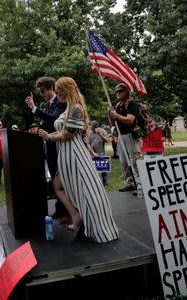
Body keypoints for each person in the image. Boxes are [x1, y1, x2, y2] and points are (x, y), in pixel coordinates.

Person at [38, 77, 119, 243]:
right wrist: (47, 135)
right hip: (66, 154)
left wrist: (48, 137)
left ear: (67, 90)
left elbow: (67, 134)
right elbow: (61, 131)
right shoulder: (68, 108)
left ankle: (89, 222)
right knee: (57, 185)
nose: (57, 92)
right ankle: (76, 216)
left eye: (59, 89)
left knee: (83, 189)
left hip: (74, 154)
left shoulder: (76, 108)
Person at [25, 76, 68, 220]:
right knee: (54, 176)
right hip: (48, 144)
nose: (41, 93)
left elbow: (53, 118)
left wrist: (34, 108)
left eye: (43, 90)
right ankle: (59, 208)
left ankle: (67, 211)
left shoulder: (60, 102)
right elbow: (46, 121)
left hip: (57, 143)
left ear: (50, 88)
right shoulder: (47, 104)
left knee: (60, 178)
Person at [108, 83, 142, 192]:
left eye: (120, 91)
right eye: (117, 91)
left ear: (127, 91)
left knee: (135, 160)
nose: (118, 93)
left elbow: (130, 120)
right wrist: (110, 113)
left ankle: (140, 183)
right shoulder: (118, 105)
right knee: (124, 161)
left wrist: (116, 115)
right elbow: (113, 123)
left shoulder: (132, 103)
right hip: (121, 136)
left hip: (132, 135)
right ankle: (129, 183)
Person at [86, 121, 111, 186]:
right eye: (92, 127)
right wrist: (93, 152)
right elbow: (88, 144)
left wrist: (100, 134)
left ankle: (105, 183)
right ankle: (96, 183)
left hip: (102, 152)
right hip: (92, 153)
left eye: (94, 127)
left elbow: (107, 141)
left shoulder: (103, 131)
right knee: (93, 170)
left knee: (103, 170)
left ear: (97, 126)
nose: (92, 128)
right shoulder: (89, 132)